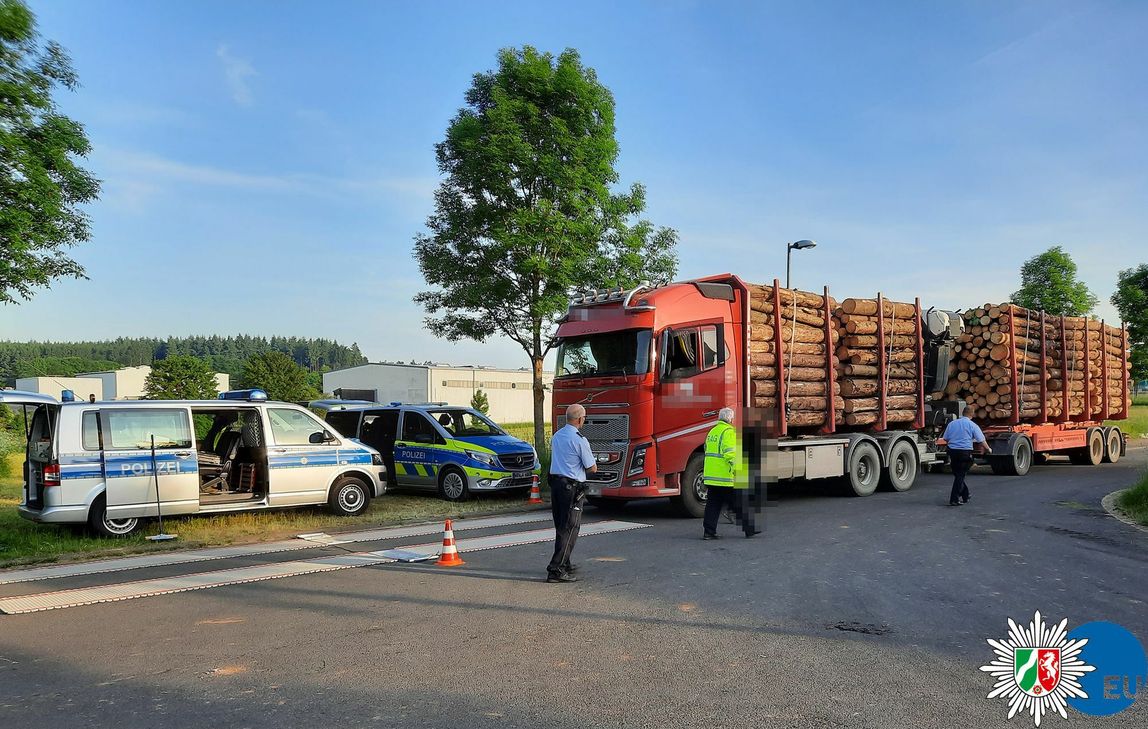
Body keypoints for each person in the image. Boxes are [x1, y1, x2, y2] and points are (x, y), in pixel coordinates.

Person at [546, 403, 597, 583]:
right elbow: (592, 467)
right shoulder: (579, 440)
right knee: (570, 528)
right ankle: (556, 569)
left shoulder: (557, 436)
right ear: (580, 419)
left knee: (561, 526)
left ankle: (565, 562)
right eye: (584, 418)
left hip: (556, 485)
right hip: (572, 488)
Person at [702, 407, 756, 539]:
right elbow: (731, 454)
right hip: (724, 477)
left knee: (713, 505)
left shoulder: (712, 431)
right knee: (739, 502)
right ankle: (749, 529)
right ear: (730, 419)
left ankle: (708, 532)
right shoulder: (729, 432)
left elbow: (706, 450)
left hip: (711, 476)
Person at [938, 405, 988, 506]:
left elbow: (946, 438)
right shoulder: (972, 425)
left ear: (963, 413)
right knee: (960, 475)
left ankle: (965, 494)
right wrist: (988, 449)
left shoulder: (952, 424)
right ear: (972, 414)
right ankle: (954, 499)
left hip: (952, 451)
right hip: (965, 452)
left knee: (958, 474)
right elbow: (981, 440)